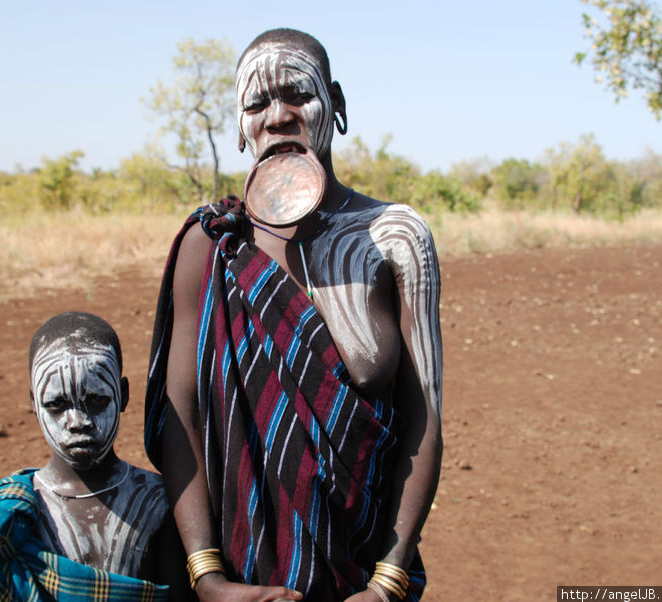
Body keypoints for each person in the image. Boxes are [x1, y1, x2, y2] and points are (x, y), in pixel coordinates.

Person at [145, 28, 443, 602]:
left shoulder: (394, 239)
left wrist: (388, 581)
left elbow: (423, 419)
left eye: (296, 95)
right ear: (239, 127)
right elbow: (179, 414)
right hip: (238, 579)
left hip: (361, 573)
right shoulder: (211, 248)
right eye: (256, 103)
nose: (277, 116)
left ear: (337, 103)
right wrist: (209, 579)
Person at [0, 311, 192, 601]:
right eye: (57, 405)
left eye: (96, 400)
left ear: (123, 395)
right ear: (34, 404)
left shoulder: (157, 502)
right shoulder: (10, 515)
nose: (78, 421)